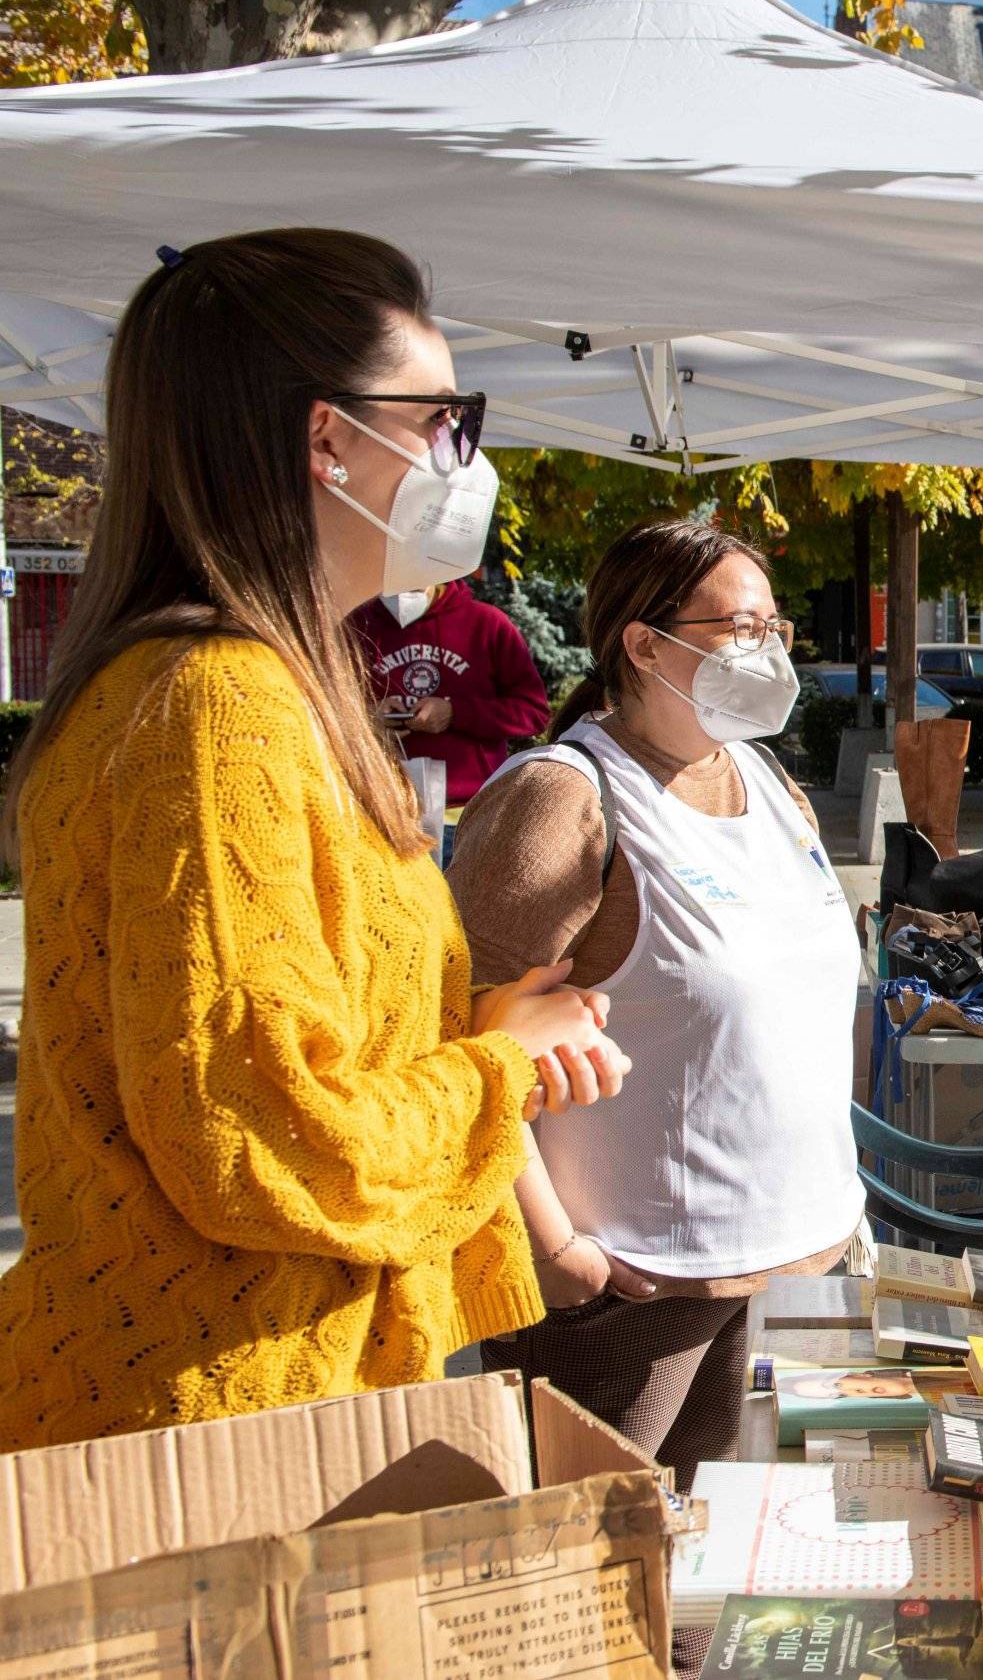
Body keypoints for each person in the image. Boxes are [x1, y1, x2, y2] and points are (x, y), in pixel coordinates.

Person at [0, 229, 625, 1452]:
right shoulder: (216, 703)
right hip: (217, 1429)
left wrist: (485, 1026)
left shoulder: (257, 685)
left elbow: (267, 1057)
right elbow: (261, 1142)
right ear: (327, 438)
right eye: (446, 418)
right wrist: (497, 1068)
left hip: (259, 1392)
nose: (465, 457)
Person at [451, 519, 864, 1489]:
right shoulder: (563, 798)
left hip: (790, 1268)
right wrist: (556, 1254)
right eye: (739, 628)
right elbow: (461, 1045)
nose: (768, 652)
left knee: (726, 1603)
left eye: (778, 630)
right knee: (597, 1584)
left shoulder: (766, 783)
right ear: (644, 642)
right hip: (635, 1296)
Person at [349, 574, 554, 806]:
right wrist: (368, 719)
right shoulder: (356, 627)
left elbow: (533, 713)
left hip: (469, 808)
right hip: (382, 807)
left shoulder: (486, 623)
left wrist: (455, 713)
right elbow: (323, 711)